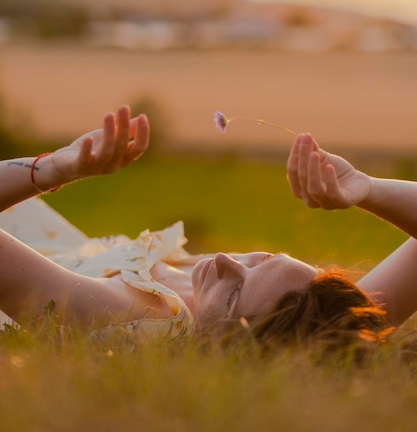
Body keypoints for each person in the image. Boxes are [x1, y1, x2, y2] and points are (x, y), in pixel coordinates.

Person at [0, 107, 415, 354]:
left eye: (235, 293)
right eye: (262, 260)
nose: (223, 260)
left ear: (237, 351)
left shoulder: (117, 315)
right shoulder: (329, 320)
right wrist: (368, 189)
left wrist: (47, 170)